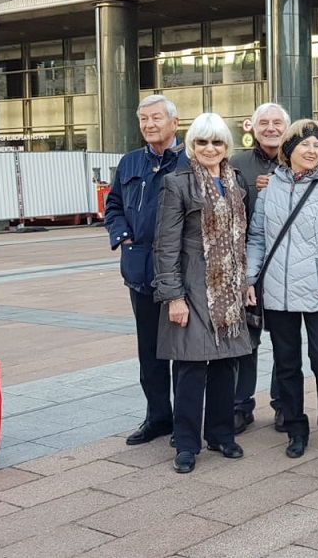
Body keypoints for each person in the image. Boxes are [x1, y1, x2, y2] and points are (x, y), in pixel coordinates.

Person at [246, 119, 318, 459]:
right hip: (278, 293)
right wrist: (250, 279)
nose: (311, 150)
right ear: (289, 149)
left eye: (316, 145)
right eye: (304, 144)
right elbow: (258, 237)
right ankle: (296, 429)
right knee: (287, 364)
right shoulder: (270, 189)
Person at [152, 113, 252, 473]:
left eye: (217, 142)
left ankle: (222, 434)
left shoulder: (235, 181)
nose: (210, 148)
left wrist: (245, 284)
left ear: (227, 146)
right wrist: (173, 297)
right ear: (192, 146)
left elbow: (242, 237)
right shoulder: (176, 183)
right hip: (192, 287)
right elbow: (165, 246)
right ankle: (187, 443)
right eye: (202, 142)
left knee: (226, 365)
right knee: (191, 368)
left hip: (227, 287)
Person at [105, 94, 186, 447]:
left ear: (174, 122)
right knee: (150, 352)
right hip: (140, 272)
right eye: (144, 120)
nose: (150, 125)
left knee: (184, 351)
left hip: (182, 273)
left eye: (157, 118)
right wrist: (123, 237)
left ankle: (184, 421)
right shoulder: (130, 162)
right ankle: (157, 417)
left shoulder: (190, 160)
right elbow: (113, 205)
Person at [229, 102, 289, 434]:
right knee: (246, 340)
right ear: (251, 126)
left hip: (285, 268)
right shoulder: (236, 164)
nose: (270, 128)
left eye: (277, 122)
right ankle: (240, 406)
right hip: (245, 266)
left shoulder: (299, 163)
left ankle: (284, 404)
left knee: (284, 340)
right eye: (263, 122)